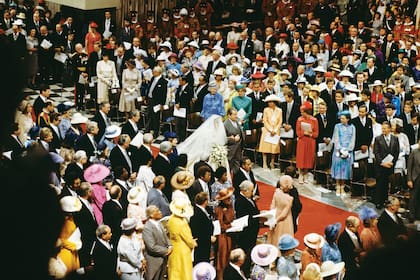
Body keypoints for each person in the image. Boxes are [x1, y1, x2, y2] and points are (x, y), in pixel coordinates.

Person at [167, 197, 197, 280]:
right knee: (184, 272)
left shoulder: (171, 219)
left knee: (175, 271)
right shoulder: (181, 223)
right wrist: (193, 243)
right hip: (183, 250)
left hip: (174, 248)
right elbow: (188, 239)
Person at [235, 180, 260, 277]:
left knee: (250, 253)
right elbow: (245, 218)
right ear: (245, 191)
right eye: (251, 190)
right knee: (246, 254)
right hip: (246, 233)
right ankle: (244, 273)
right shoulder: (240, 201)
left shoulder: (249, 198)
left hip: (252, 232)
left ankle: (247, 270)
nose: (252, 192)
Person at [373, 121, 399, 209]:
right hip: (380, 167)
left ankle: (385, 200)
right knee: (380, 184)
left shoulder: (395, 139)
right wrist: (383, 163)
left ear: (389, 129)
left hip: (390, 166)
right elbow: (376, 153)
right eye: (382, 128)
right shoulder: (378, 139)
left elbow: (397, 152)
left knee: (387, 184)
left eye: (385, 128)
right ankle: (379, 202)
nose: (383, 130)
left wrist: (392, 162)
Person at [142, 205, 172, 280]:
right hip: (154, 262)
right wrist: (166, 250)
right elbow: (151, 247)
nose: (160, 212)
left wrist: (170, 246)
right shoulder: (147, 228)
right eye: (157, 211)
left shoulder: (159, 224)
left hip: (163, 260)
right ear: (151, 215)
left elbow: (165, 237)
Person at [331, 110, 356, 196]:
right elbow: (336, 139)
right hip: (338, 150)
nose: (341, 120)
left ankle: (343, 186)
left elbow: (353, 140)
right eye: (340, 118)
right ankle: (338, 186)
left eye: (343, 118)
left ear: (348, 119)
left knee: (345, 169)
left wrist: (348, 150)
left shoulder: (352, 127)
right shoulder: (337, 126)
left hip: (348, 151)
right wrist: (341, 149)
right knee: (338, 168)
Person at [214, 187, 236, 280]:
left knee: (229, 257)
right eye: (227, 198)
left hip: (230, 235)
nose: (229, 199)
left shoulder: (230, 206)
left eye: (229, 197)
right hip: (223, 237)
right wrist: (230, 226)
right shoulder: (219, 209)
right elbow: (220, 225)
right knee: (222, 258)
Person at [266, 175, 294, 246]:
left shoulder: (276, 193)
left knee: (274, 237)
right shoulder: (290, 199)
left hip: (275, 215)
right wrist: (277, 220)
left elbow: (272, 206)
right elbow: (284, 214)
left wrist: (273, 218)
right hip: (284, 221)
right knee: (282, 237)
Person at [296, 101, 319, 184]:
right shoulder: (299, 119)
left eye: (303, 112)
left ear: (307, 112)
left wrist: (311, 134)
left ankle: (305, 174)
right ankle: (300, 174)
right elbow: (298, 132)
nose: (301, 113)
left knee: (308, 158)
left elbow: (316, 134)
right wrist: (303, 133)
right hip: (302, 140)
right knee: (301, 157)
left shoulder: (314, 120)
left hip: (311, 141)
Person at [190, 192, 215, 264]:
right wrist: (209, 237)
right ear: (205, 201)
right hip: (201, 244)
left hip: (205, 244)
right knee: (201, 262)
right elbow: (197, 231)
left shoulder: (203, 210)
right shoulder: (196, 213)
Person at [259, 94, 283, 169]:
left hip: (275, 130)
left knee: (274, 148)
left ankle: (272, 163)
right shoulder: (266, 110)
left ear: (274, 102)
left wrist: (275, 130)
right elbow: (265, 120)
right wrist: (270, 130)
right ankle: (264, 163)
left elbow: (280, 121)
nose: (270, 103)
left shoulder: (279, 110)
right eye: (269, 102)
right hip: (267, 130)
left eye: (271, 102)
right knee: (265, 147)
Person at [224, 108, 243, 173]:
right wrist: (232, 139)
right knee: (229, 168)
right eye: (234, 114)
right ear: (229, 115)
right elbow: (223, 139)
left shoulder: (237, 122)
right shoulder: (225, 124)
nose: (236, 116)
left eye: (236, 114)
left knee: (237, 167)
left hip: (238, 148)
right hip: (230, 150)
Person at [407, 142, 420, 221]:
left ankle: (418, 214)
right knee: (413, 198)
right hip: (415, 178)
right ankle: (411, 215)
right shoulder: (414, 152)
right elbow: (409, 167)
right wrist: (409, 180)